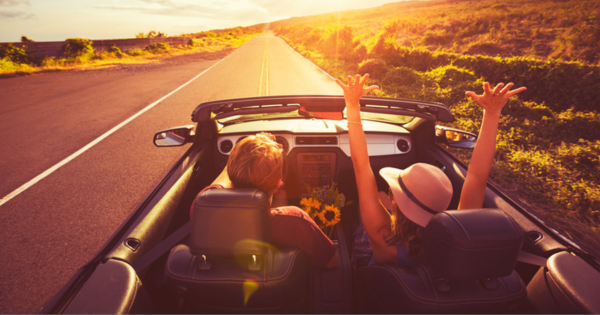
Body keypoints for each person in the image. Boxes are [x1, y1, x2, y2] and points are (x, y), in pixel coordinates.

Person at [336, 73, 526, 266]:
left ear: (399, 204)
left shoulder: (383, 235)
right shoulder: (455, 240)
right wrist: (492, 114)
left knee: (378, 196)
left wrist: (352, 105)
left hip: (378, 279)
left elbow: (361, 165)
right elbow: (477, 177)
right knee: (380, 197)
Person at [191, 132, 339, 268]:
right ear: (279, 182)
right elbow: (332, 262)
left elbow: (223, 179)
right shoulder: (295, 221)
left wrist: (246, 149)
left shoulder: (202, 208)